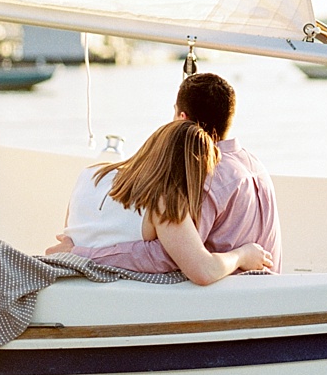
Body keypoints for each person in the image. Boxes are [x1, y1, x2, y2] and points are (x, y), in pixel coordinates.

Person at [46, 72, 282, 273]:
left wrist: (78, 253)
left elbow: (170, 257)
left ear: (181, 118)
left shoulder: (202, 173)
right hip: (267, 290)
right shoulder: (255, 165)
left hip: (223, 298)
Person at [53, 119, 272, 285]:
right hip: (109, 292)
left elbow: (71, 234)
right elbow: (204, 271)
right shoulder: (164, 201)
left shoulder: (91, 174)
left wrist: (76, 253)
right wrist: (243, 255)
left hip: (67, 279)